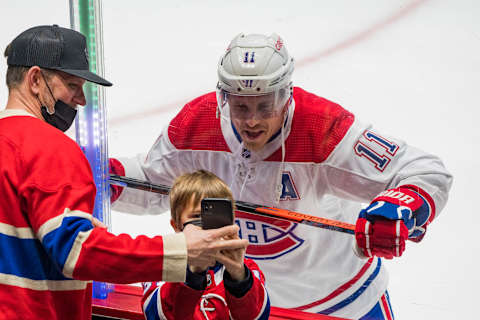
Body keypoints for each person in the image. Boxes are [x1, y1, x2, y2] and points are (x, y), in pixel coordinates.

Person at [110, 33, 452, 319]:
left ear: (287, 95)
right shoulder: (196, 124)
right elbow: (155, 185)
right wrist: (108, 178)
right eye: (241, 106)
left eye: (265, 105)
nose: (252, 121)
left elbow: (426, 172)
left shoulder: (323, 129)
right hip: (252, 303)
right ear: (223, 97)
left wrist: (399, 207)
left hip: (345, 303)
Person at [0, 25, 247, 320]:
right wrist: (182, 250)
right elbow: (77, 251)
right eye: (72, 85)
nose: (82, 100)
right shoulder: (49, 147)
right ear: (36, 79)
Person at [141, 170, 270, 320]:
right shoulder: (161, 266)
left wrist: (238, 276)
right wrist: (193, 273)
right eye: (196, 216)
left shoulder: (248, 269)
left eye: (216, 216)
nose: (207, 226)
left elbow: (258, 317)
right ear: (176, 225)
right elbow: (156, 316)